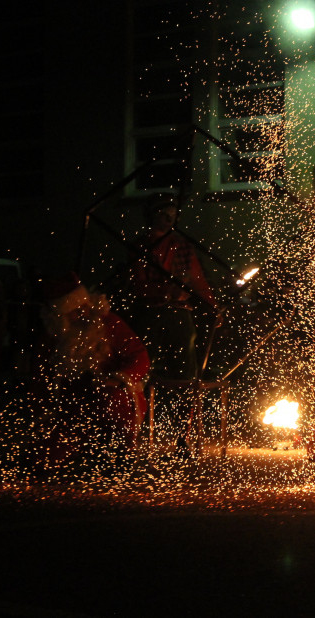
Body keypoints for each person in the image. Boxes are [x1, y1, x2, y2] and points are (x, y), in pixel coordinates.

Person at [127, 193, 218, 456]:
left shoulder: (182, 247)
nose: (168, 219)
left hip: (179, 316)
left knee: (185, 376)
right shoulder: (140, 247)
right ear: (152, 216)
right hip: (149, 314)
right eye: (163, 214)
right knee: (140, 372)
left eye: (172, 215)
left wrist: (211, 307)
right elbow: (138, 284)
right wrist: (163, 292)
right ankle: (133, 433)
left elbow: (198, 280)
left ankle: (182, 436)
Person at [34, 272, 149, 472]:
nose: (83, 314)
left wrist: (118, 378)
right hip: (72, 406)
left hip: (112, 397)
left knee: (111, 403)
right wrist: (44, 410)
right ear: (62, 318)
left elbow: (140, 357)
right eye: (75, 311)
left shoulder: (109, 323)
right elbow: (42, 378)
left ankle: (120, 456)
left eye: (83, 307)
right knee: (43, 460)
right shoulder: (53, 339)